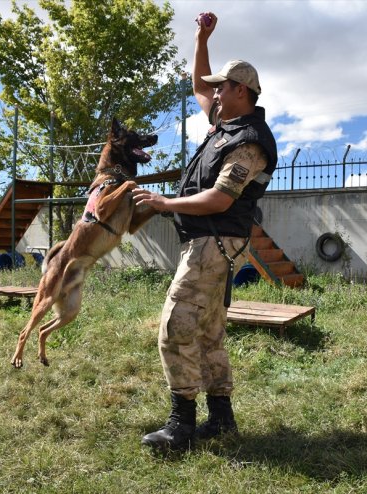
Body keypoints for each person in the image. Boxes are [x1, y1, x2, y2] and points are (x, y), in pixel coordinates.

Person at [132, 11, 277, 452]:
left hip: (214, 244)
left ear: (240, 91)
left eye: (221, 86)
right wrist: (201, 38)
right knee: (210, 332)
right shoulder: (224, 124)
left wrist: (163, 203)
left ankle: (181, 426)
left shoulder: (248, 141)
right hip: (206, 244)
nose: (210, 92)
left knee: (176, 325)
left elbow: (220, 199)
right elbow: (198, 84)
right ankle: (222, 420)